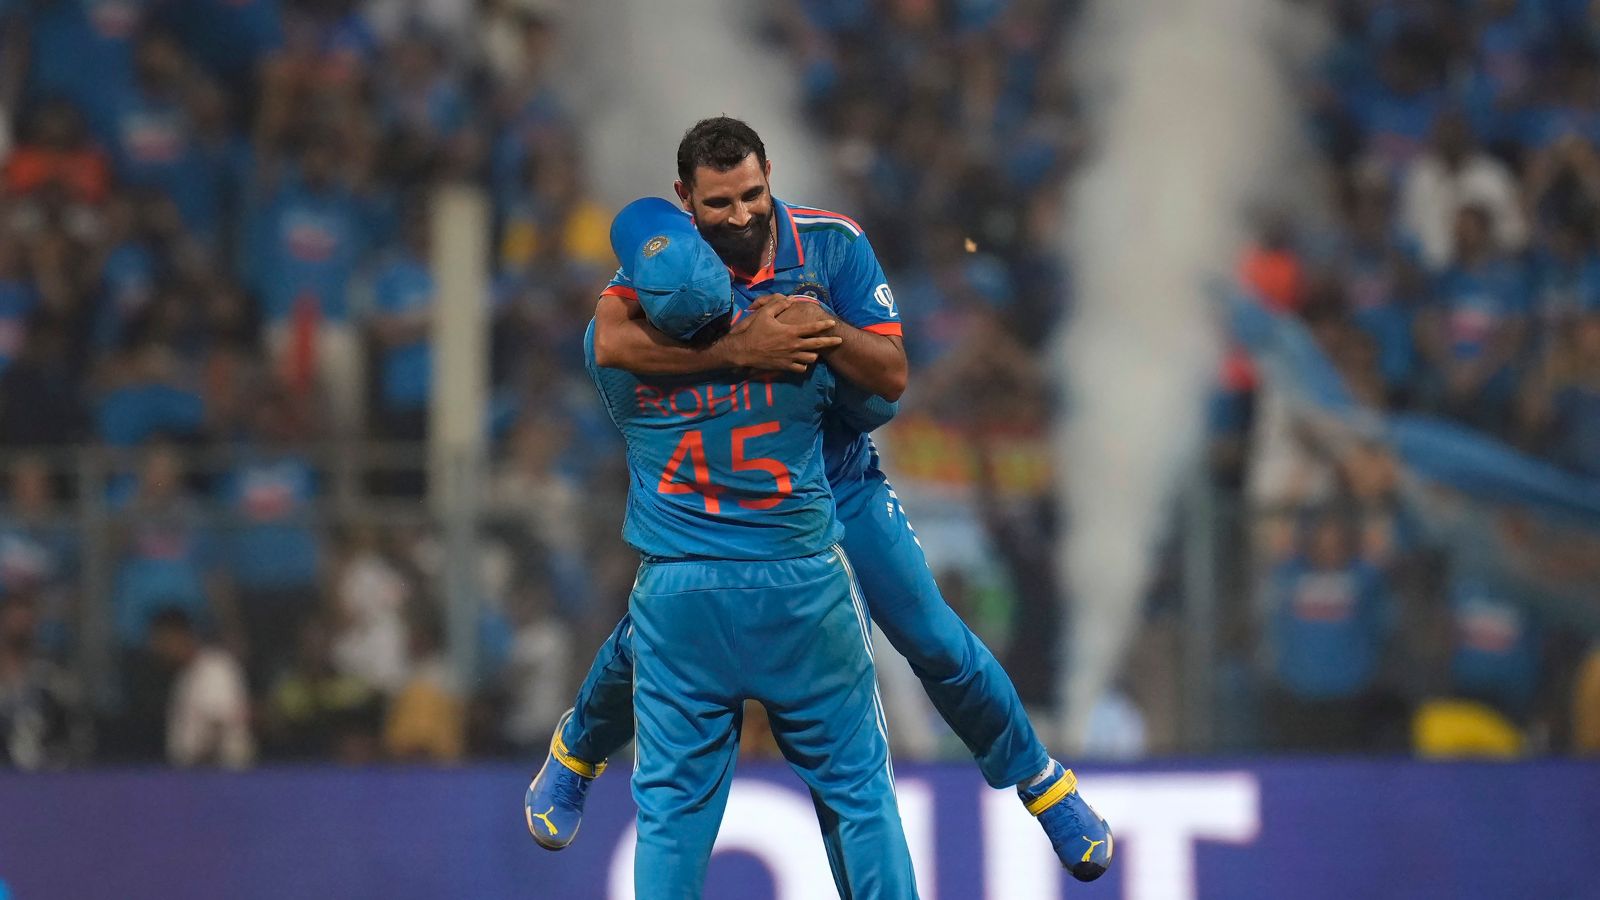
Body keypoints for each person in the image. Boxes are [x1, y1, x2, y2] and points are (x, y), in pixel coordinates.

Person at [527, 116, 1111, 879]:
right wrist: (744, 347)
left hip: (836, 475)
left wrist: (824, 328)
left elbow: (893, 376)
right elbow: (608, 339)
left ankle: (1042, 783)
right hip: (738, 498)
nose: (739, 216)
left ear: (770, 174)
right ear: (685, 201)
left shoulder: (832, 243)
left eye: (752, 195)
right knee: (667, 626)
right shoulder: (669, 263)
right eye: (719, 204)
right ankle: (576, 751)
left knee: (932, 636)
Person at [530, 196, 917, 897]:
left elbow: (608, 330)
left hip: (683, 591)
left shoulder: (616, 361)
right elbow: (879, 401)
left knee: (672, 818)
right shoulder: (794, 337)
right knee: (861, 797)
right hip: (801, 589)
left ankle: (578, 749)